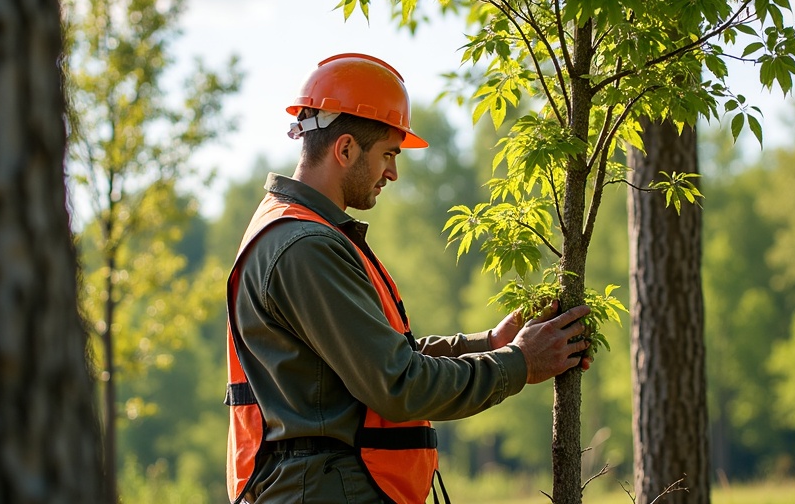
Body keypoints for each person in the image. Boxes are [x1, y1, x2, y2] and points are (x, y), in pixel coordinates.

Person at [224, 53, 591, 504]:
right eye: (388, 154)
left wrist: (490, 344)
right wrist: (520, 362)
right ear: (345, 149)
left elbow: (382, 359)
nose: (393, 173)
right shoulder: (305, 247)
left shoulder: (299, 233)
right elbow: (398, 383)